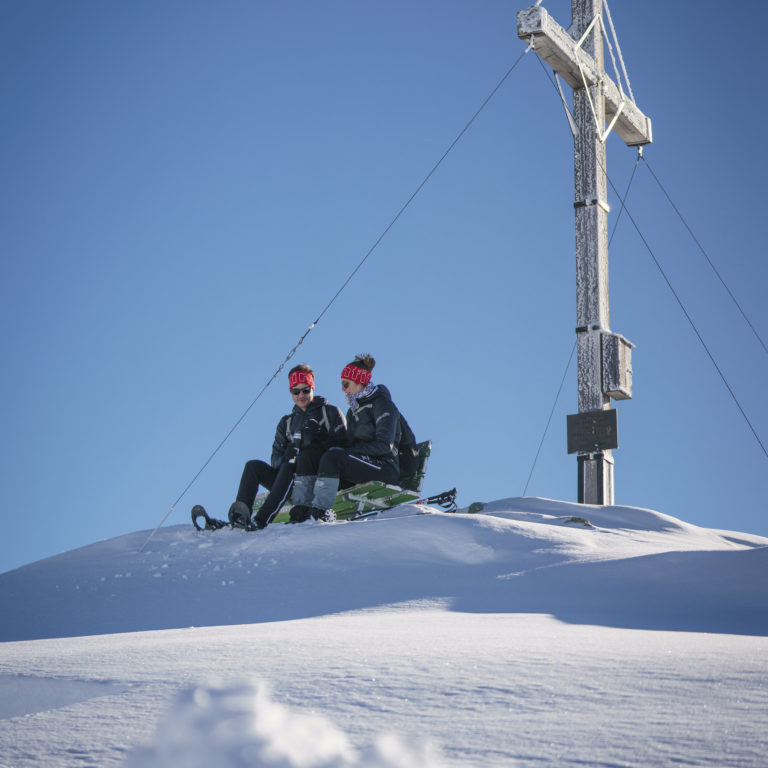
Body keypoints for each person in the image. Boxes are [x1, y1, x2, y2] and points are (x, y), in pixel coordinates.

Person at [289, 354, 411, 523]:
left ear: (359, 382)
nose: (343, 389)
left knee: (334, 458)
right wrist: (322, 439)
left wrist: (347, 452)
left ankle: (319, 512)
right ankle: (301, 509)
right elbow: (346, 446)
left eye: (346, 384)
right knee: (313, 456)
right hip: (363, 464)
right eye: (341, 384)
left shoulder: (382, 404)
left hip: (384, 467)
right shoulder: (352, 412)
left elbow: (385, 445)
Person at [228, 364, 346, 529]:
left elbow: (343, 449)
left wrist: (321, 439)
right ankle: (241, 515)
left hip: (319, 481)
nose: (301, 395)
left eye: (305, 390)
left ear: (312, 388)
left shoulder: (330, 412)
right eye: (295, 391)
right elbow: (275, 460)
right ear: (290, 392)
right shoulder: (286, 423)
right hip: (289, 481)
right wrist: (286, 457)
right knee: (253, 466)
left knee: (295, 465)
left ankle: (261, 520)